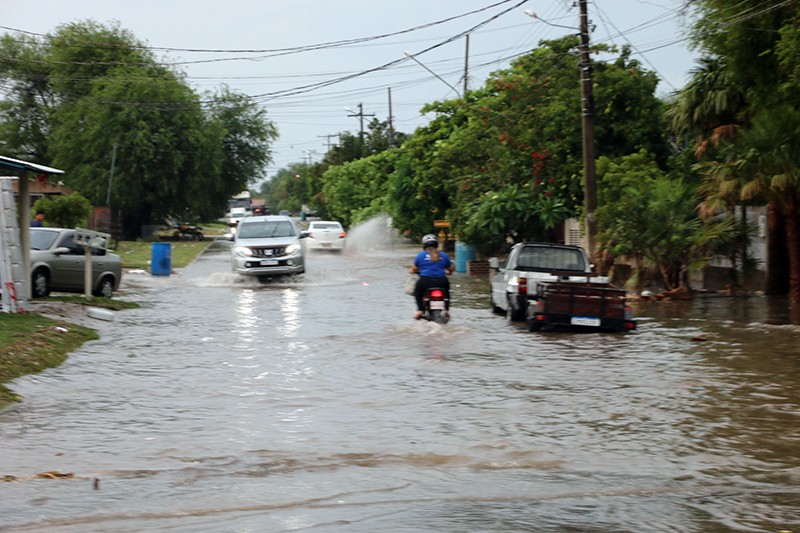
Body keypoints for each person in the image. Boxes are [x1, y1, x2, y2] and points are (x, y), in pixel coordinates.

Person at [409, 233, 454, 320]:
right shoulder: (444, 255)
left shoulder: (421, 255)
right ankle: (447, 310)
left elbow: (413, 269)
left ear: (424, 245)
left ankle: (420, 310)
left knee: (417, 292)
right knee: (447, 292)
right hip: (442, 281)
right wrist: (449, 272)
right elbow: (450, 268)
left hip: (425, 281)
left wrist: (412, 271)